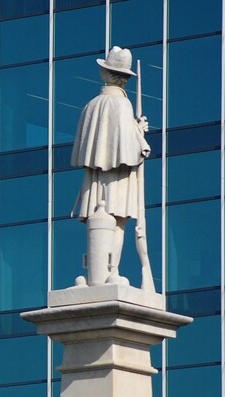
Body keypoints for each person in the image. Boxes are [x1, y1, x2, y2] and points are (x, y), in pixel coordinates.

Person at [71, 46, 154, 291]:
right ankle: (111, 270)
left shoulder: (92, 105)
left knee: (98, 222)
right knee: (117, 223)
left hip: (96, 176)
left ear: (106, 74)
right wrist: (139, 132)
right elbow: (133, 150)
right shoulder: (122, 105)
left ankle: (98, 273)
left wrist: (135, 130)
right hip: (119, 176)